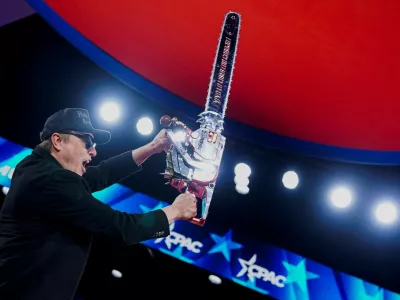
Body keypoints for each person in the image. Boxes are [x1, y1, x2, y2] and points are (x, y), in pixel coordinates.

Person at [0, 108, 197, 300]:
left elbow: (103, 173)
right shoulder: (51, 180)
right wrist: (175, 211)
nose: (94, 151)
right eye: (88, 142)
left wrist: (152, 147)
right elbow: (122, 228)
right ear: (58, 141)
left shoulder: (37, 168)